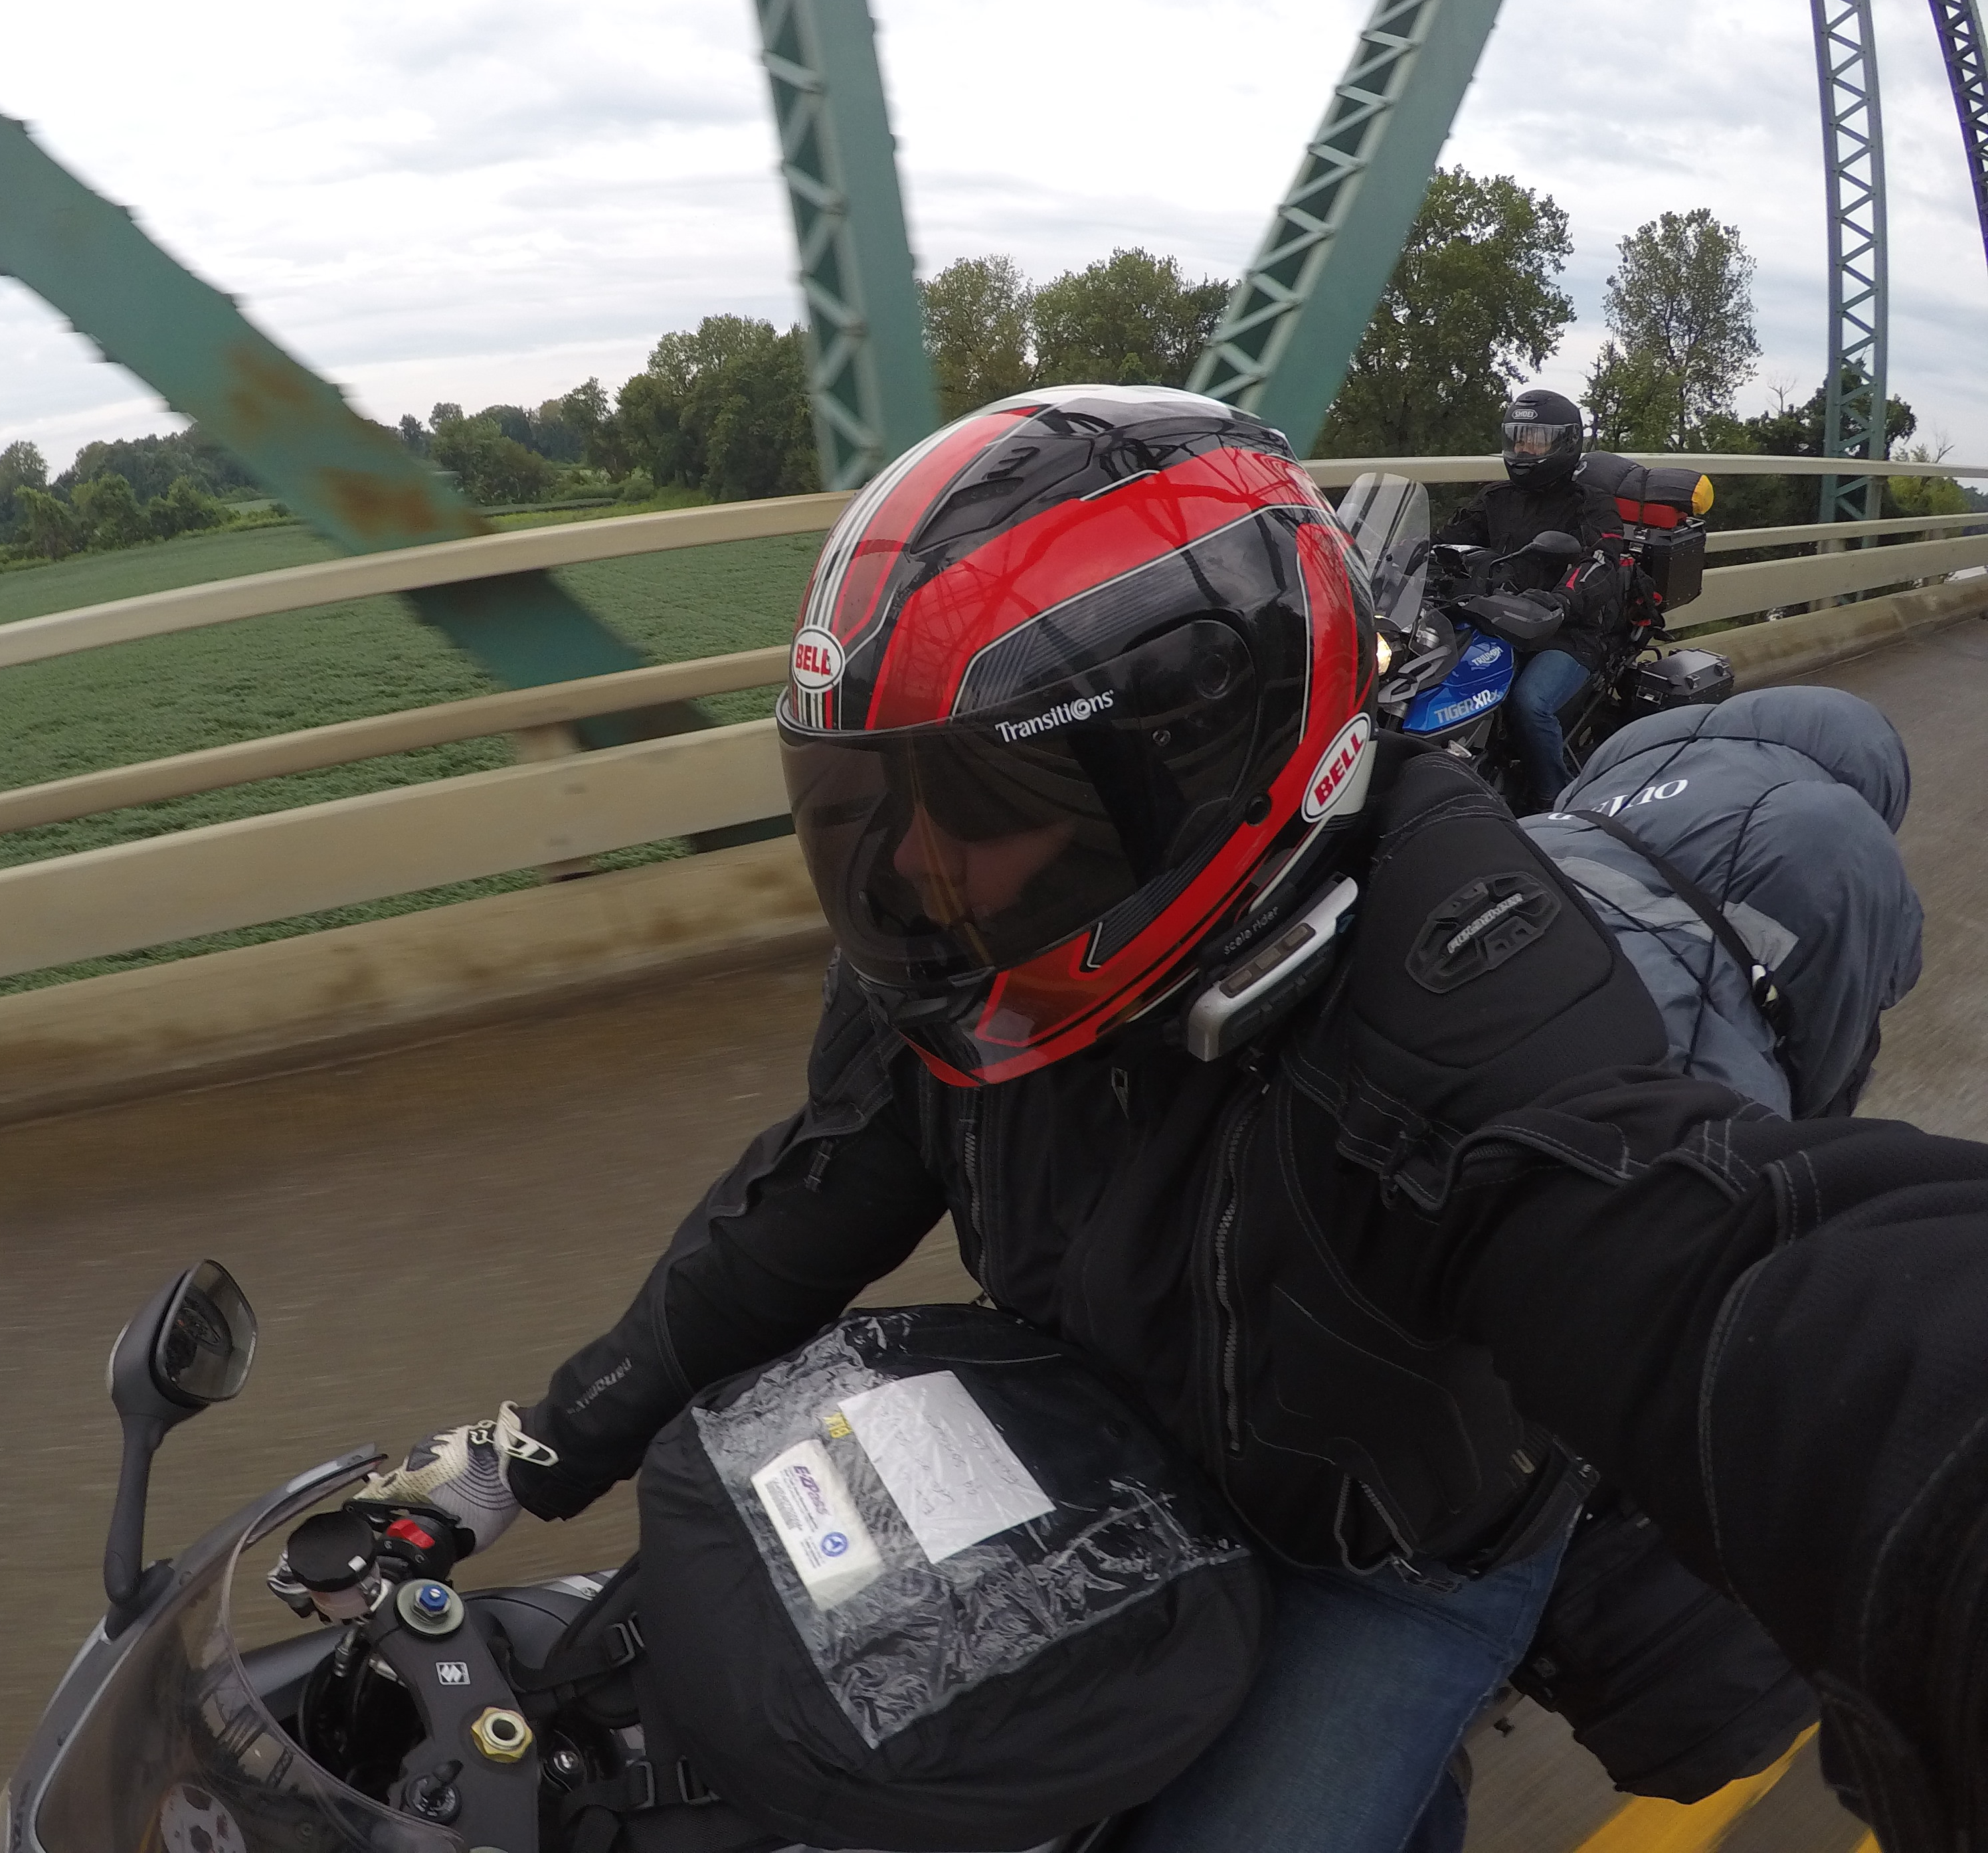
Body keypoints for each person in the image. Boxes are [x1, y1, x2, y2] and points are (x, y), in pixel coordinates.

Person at [363, 386, 1784, 1851]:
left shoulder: (1470, 989)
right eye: (874, 805)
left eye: (984, 802)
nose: (913, 871)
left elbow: (1693, 1276)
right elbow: (812, 1196)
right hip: (1103, 1425)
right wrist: (539, 1450)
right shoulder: (970, 955)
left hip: (1376, 1547)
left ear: (1188, 766)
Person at [1449, 388, 1627, 812]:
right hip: (1496, 619)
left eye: (1537, 441)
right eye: (1517, 439)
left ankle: (1556, 800)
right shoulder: (1495, 499)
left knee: (1529, 704)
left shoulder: (1590, 506)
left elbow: (1602, 563)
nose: (1524, 450)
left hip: (1568, 631)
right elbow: (1446, 543)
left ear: (1566, 443)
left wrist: (1562, 601)